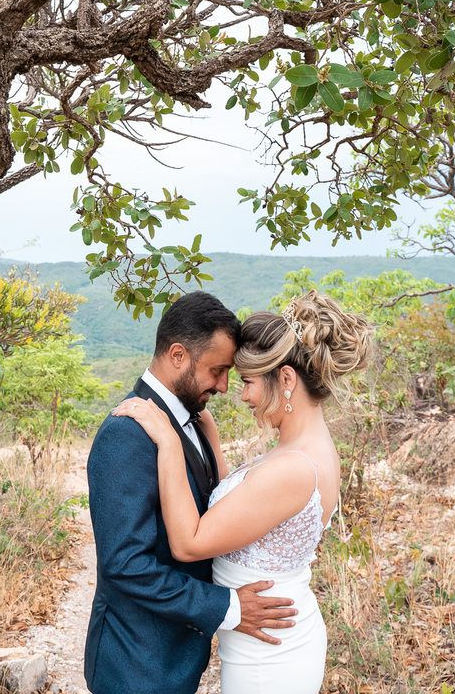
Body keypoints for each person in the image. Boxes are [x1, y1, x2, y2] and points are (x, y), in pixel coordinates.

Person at [113, 290, 373, 693]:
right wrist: (211, 441)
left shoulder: (292, 467)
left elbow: (190, 542)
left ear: (286, 379)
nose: (243, 394)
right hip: (266, 642)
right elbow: (240, 511)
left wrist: (168, 441)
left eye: (249, 382)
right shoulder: (301, 448)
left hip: (268, 656)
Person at [84, 291, 299, 694]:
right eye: (216, 370)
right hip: (136, 665)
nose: (222, 385)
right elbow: (125, 564)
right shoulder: (125, 434)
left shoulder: (193, 422)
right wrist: (230, 608)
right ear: (178, 355)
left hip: (176, 659)